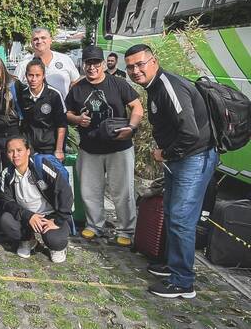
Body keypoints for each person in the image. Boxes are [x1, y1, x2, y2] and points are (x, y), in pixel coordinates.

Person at [125, 44, 217, 299]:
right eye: (130, 66)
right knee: (171, 212)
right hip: (180, 159)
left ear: (153, 61)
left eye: (140, 64)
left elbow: (190, 133)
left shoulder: (168, 86)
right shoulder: (154, 86)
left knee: (181, 219)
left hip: (194, 158)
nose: (135, 70)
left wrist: (164, 153)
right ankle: (172, 264)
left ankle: (183, 282)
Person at [65, 46, 143, 246]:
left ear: (103, 64)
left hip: (119, 146)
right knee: (90, 190)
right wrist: (77, 119)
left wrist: (132, 127)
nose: (92, 68)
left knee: (123, 191)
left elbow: (137, 106)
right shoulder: (77, 88)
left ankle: (126, 229)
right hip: (89, 148)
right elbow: (67, 113)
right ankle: (94, 225)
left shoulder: (118, 83)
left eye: (96, 63)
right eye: (88, 63)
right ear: (83, 64)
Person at [0, 135, 73, 262]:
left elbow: (64, 191)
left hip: (50, 215)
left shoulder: (42, 165)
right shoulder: (7, 173)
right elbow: (6, 201)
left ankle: (58, 248)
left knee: (55, 241)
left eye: (19, 150)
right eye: (11, 151)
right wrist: (28, 215)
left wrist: (58, 220)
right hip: (27, 217)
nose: (15, 155)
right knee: (6, 220)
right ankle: (28, 240)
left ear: (28, 151)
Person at [14, 59, 67, 159]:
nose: (34, 79)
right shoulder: (22, 95)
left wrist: (59, 149)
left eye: (37, 75)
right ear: (26, 75)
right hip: (30, 147)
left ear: (43, 76)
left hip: (50, 147)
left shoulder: (54, 95)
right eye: (30, 75)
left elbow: (62, 124)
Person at [14, 27, 79, 99]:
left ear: (50, 40)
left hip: (62, 108)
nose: (39, 41)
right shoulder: (23, 65)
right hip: (33, 109)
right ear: (31, 43)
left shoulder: (65, 59)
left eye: (43, 38)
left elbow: (76, 82)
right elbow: (14, 88)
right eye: (35, 39)